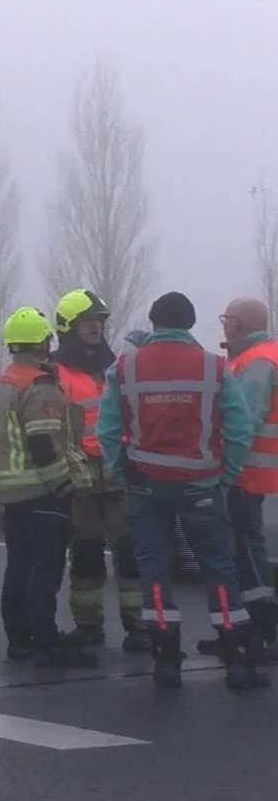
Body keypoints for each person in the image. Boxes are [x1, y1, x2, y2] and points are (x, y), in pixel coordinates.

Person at [96, 291, 261, 690]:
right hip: (202, 486)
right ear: (190, 323)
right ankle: (236, 661)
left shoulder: (124, 368)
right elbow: (239, 430)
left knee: (154, 568)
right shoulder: (215, 367)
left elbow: (106, 431)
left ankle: (166, 661)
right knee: (219, 569)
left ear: (153, 323)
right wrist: (226, 473)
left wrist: (122, 472)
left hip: (147, 486)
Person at [0, 307, 98, 668]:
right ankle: (45, 641)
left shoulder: (7, 381)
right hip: (41, 492)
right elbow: (42, 443)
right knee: (45, 571)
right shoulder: (40, 386)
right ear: (44, 341)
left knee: (18, 567)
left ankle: (19, 639)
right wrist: (62, 484)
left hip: (13, 493)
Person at [50, 289, 148, 652]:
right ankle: (89, 625)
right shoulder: (54, 372)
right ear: (68, 327)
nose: (95, 327)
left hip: (118, 471)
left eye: (99, 321)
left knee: (130, 550)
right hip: (79, 478)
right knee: (87, 553)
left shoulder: (115, 367)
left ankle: (139, 625)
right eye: (87, 322)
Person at [219, 297, 278, 659]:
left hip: (249, 473)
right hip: (258, 472)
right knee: (244, 549)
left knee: (246, 550)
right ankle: (248, 628)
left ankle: (260, 629)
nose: (223, 324)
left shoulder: (256, 361)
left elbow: (244, 419)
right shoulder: (261, 356)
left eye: (227, 319)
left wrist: (225, 467)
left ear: (239, 324)